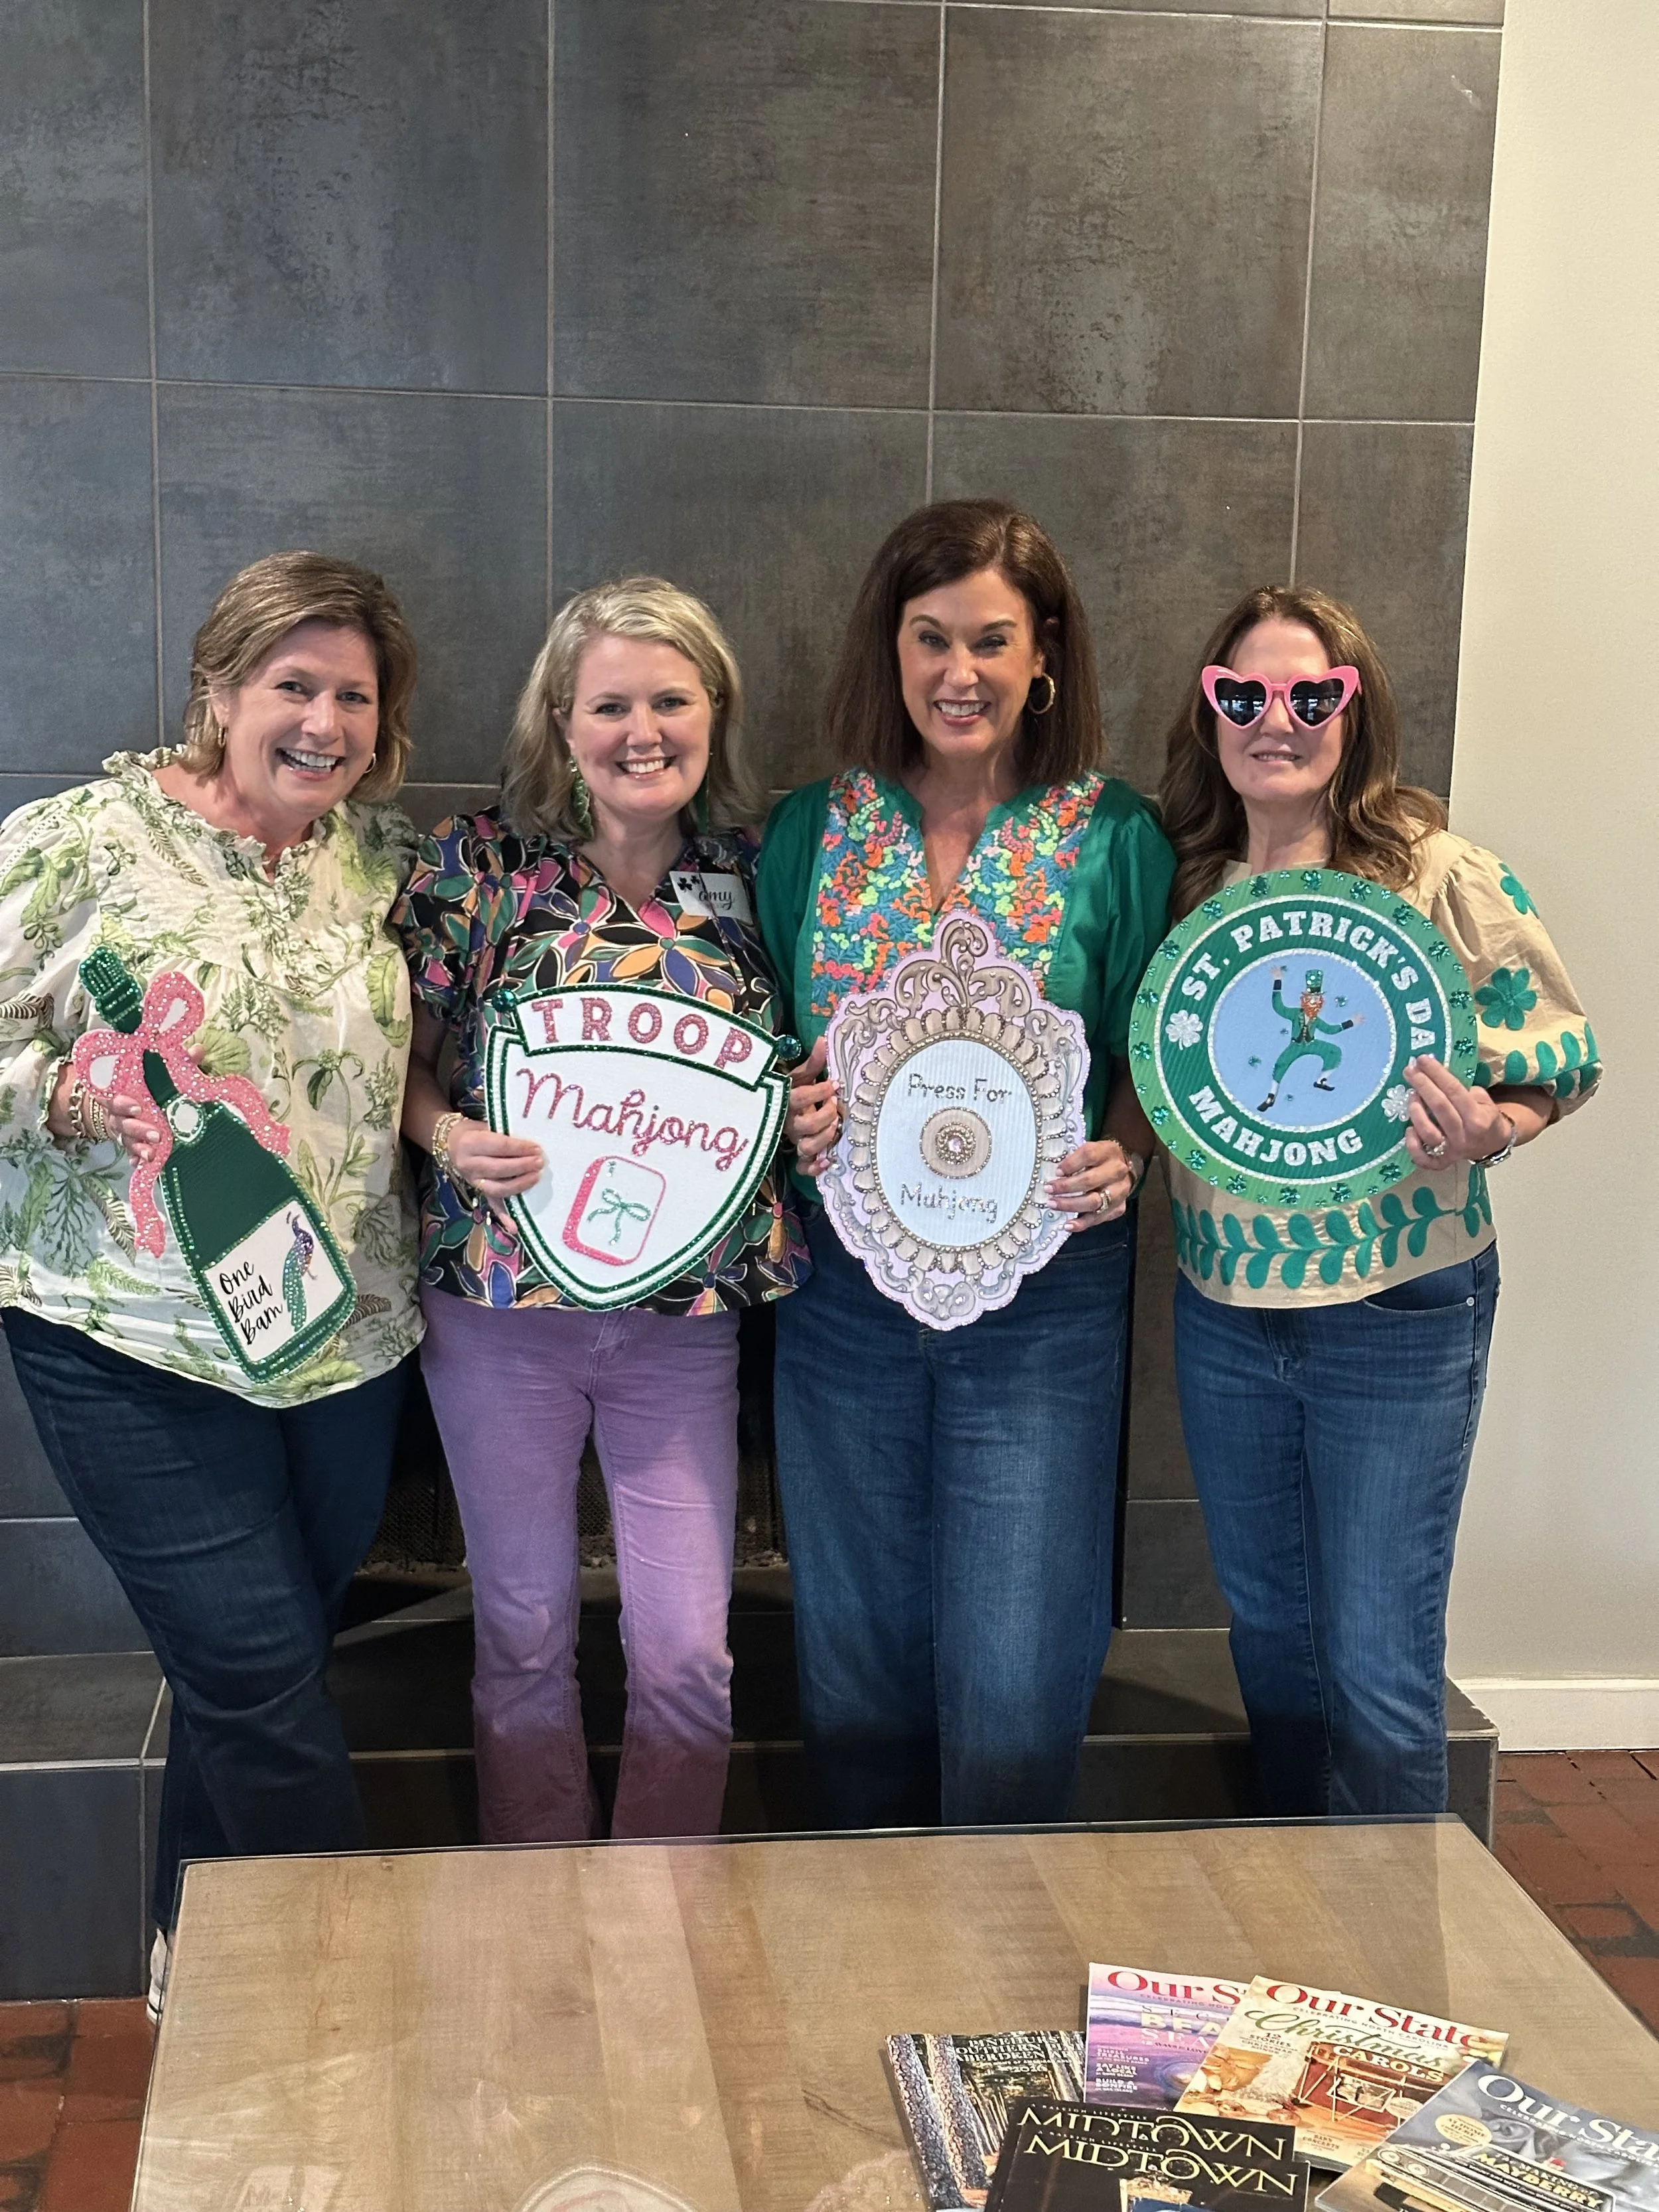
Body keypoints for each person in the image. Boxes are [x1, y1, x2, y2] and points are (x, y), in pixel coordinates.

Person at [0, 550, 423, 2013]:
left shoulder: (380, 863)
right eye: (292, 684)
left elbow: (414, 1060)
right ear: (220, 689)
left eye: (352, 695)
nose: (322, 719)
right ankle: (376, 2015)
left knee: (259, 1675)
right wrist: (60, 1089)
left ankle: (204, 1979)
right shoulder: (80, 840)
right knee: (263, 1686)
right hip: (127, 1337)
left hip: (343, 1332)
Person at [757, 499, 1175, 1830]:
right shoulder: (808, 832)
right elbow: (766, 1035)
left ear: (1042, 652)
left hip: (1043, 1298)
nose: (959, 672)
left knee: (1013, 1671)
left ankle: (997, 1990)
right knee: (854, 1665)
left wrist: (1124, 1152)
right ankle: (864, 1977)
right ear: (889, 649)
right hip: (841, 1295)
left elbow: (1148, 1047)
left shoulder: (1113, 835)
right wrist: (793, 1109)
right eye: (929, 638)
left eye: (990, 640)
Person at [1158, 583, 1599, 1816]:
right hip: (1226, 1300)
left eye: (1314, 693)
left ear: (1358, 709)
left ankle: (1394, 1979)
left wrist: (1491, 1126)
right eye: (1243, 693)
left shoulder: (1439, 872)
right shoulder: (1183, 879)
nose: (1276, 718)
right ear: (1211, 712)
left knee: (1380, 1667)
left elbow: (1561, 1060)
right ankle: (1309, 1935)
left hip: (1397, 1303)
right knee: (1273, 1651)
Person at [392, 577, 806, 1844]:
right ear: (561, 725)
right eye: (610, 704)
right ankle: (540, 1916)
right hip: (501, 1314)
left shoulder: (762, 874)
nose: (644, 730)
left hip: (687, 1318)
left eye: (671, 700)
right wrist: (448, 1133)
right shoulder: (483, 867)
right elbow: (394, 1065)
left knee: (686, 1650)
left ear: (714, 712)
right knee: (521, 1631)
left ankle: (663, 1927)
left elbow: (821, 1055)